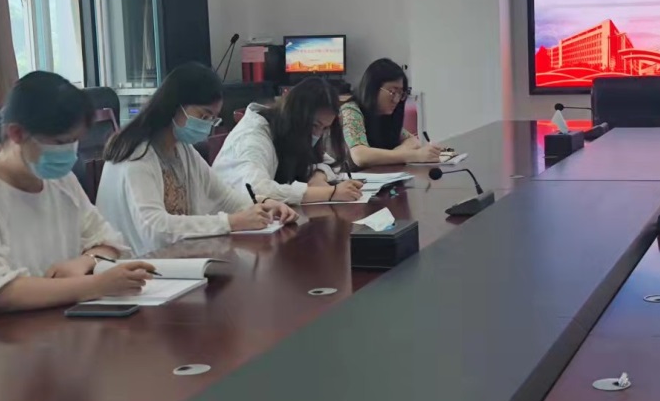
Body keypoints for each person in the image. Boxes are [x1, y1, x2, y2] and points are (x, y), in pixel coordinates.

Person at [0, 72, 154, 338]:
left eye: (75, 140)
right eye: (60, 142)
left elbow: (110, 243)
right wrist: (96, 284)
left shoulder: (61, 181)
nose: (71, 152)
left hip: (45, 329)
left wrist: (85, 261)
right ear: (17, 133)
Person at [96, 63, 297, 254]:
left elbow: (224, 197)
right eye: (203, 116)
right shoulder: (136, 153)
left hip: (176, 260)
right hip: (136, 265)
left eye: (212, 119)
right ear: (175, 105)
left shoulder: (182, 148)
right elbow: (155, 228)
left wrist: (263, 205)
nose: (207, 125)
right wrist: (230, 222)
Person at [212, 77, 365, 205]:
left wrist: (318, 175)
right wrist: (329, 193)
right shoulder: (253, 137)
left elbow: (331, 163)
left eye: (324, 128)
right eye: (314, 125)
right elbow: (256, 190)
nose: (318, 134)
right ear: (296, 117)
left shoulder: (292, 132)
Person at [340, 58, 443, 167]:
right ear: (373, 88)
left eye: (400, 93)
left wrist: (393, 155)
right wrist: (415, 156)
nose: (396, 100)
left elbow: (413, 141)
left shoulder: (384, 115)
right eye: (392, 92)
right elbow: (360, 156)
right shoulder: (351, 111)